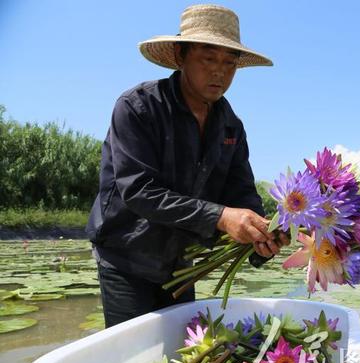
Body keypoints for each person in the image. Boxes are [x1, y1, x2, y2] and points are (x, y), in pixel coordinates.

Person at [86, 4, 288, 327]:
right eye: (208, 59)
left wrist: (260, 241)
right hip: (126, 258)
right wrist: (221, 217)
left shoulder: (231, 127)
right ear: (181, 56)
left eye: (229, 63)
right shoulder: (137, 108)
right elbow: (139, 191)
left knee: (180, 358)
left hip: (180, 266)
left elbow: (243, 197)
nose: (220, 72)